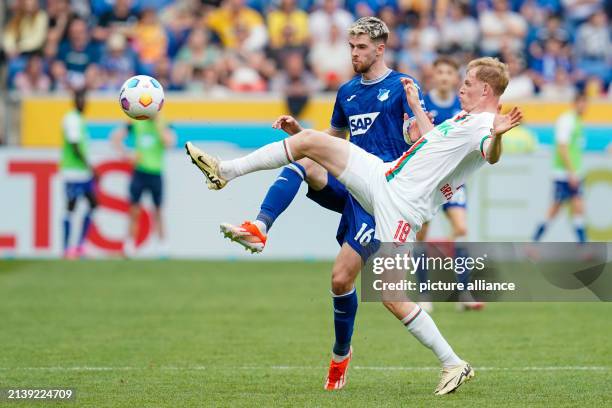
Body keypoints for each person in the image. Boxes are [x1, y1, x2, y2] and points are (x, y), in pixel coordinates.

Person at [185, 57, 523, 395]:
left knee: (391, 295)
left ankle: (453, 363)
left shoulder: (486, 125)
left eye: (468, 82)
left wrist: (497, 137)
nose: (461, 87)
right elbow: (435, 143)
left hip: (401, 208)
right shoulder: (465, 118)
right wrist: (418, 108)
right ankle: (224, 171)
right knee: (309, 143)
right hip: (384, 175)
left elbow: (489, 154)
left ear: (486, 89)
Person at [218, 17, 424, 391]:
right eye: (351, 47)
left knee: (341, 277)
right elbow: (334, 139)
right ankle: (259, 228)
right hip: (351, 184)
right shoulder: (346, 92)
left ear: (380, 48)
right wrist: (301, 136)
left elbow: (421, 141)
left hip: (381, 197)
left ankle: (341, 354)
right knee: (305, 161)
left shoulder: (401, 88)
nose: (354, 53)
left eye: (361, 47)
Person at [416, 56, 483, 313]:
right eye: (440, 72)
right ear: (433, 75)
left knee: (461, 228)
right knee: (421, 236)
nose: (444, 76)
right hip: (427, 182)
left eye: (448, 72)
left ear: (456, 78)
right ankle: (424, 293)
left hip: (453, 182)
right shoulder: (423, 103)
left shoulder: (463, 105)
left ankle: (463, 291)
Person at [111, 118, 175, 256]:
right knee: (134, 210)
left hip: (156, 172)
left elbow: (169, 143)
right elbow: (115, 138)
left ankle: (163, 245)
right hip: (139, 172)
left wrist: (159, 125)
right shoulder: (136, 122)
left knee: (157, 211)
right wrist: (126, 154)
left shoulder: (163, 123)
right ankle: (130, 245)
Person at [533, 92, 588, 243]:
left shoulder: (578, 121)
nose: (585, 106)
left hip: (573, 173)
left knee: (578, 207)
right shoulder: (567, 120)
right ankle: (534, 241)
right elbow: (562, 147)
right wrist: (571, 172)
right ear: (575, 103)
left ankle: (583, 246)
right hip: (564, 174)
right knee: (555, 209)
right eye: (582, 103)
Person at [60, 88, 97, 259]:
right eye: (80, 99)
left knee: (93, 204)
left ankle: (80, 246)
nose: (83, 102)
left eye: (85, 99)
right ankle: (67, 249)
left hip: (83, 173)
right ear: (75, 100)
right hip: (73, 172)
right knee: (71, 208)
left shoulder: (81, 119)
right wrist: (89, 165)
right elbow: (74, 146)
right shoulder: (72, 119)